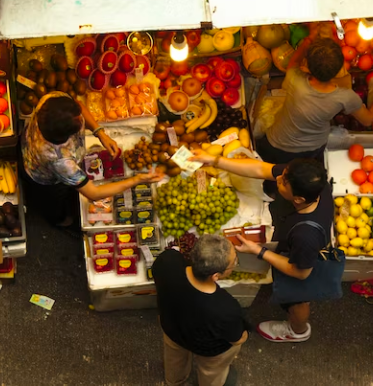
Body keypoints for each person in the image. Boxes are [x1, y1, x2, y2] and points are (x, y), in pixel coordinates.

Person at [190, 151, 333, 343]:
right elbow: (261, 168)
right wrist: (215, 160)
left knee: (297, 298)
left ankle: (297, 331)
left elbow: (301, 273)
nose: (279, 178)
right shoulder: (307, 180)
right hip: (291, 239)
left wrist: (260, 251)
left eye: (282, 183)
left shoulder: (306, 236)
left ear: (298, 199)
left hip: (301, 260)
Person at [21, 92, 161, 226]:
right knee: (54, 200)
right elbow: (94, 193)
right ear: (68, 138)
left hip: (27, 143)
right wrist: (137, 180)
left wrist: (99, 133)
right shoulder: (61, 161)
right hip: (43, 173)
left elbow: (78, 105)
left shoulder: (50, 100)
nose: (80, 117)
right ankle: (59, 220)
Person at [258, 25, 373, 167]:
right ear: (339, 69)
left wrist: (309, 40)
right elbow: (368, 120)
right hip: (310, 149)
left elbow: (293, 62)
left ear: (307, 65)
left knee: (267, 171)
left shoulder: (295, 79)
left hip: (276, 141)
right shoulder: (345, 97)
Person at [152, 234, 248, 386]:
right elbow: (237, 338)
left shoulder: (167, 261)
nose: (235, 264)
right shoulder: (226, 307)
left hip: (173, 331)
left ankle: (174, 381)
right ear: (215, 276)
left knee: (174, 360)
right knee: (211, 372)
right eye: (233, 262)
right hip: (206, 349)